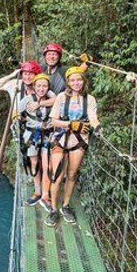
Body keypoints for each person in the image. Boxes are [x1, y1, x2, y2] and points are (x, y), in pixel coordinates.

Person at [44, 66, 99, 227]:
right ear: (68, 82)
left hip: (79, 140)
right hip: (61, 138)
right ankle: (54, 209)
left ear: (84, 81)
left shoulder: (90, 99)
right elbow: (53, 121)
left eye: (79, 79)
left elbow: (93, 118)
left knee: (72, 174)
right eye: (73, 80)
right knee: (57, 176)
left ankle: (65, 206)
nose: (76, 83)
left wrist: (98, 128)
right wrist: (72, 124)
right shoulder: (61, 97)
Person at [17, 73, 55, 206]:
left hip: (47, 136)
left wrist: (40, 103)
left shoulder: (52, 99)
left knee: (47, 165)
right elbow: (16, 113)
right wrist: (21, 118)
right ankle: (37, 192)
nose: (41, 88)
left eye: (45, 86)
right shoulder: (27, 99)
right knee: (34, 163)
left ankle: (45, 194)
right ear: (34, 86)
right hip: (32, 136)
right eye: (38, 86)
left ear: (49, 88)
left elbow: (57, 100)